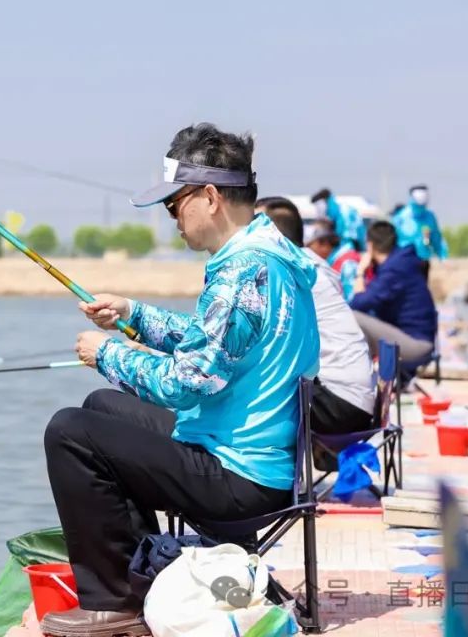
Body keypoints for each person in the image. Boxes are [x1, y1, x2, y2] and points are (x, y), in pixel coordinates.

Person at [40, 123, 319, 637]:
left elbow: (187, 382)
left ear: (210, 197)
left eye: (174, 205)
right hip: (248, 458)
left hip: (240, 479)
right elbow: (211, 340)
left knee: (69, 431)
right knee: (103, 407)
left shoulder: (242, 273)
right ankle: (142, 575)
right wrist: (133, 314)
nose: (173, 220)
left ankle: (114, 601)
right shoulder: (268, 256)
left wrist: (108, 354)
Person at [256, 197, 374, 436]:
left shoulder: (292, 273)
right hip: (354, 399)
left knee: (251, 397)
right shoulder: (310, 264)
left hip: (340, 404)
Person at [349, 220, 438, 371]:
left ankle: (357, 374)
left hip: (416, 344)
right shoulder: (401, 262)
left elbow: (358, 304)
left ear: (370, 245)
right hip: (417, 339)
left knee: (353, 317)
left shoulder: (394, 269)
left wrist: (360, 272)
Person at [391, 184, 448, 282]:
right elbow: (391, 238)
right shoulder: (401, 217)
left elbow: (436, 237)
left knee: (421, 288)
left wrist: (442, 256)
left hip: (423, 260)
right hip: (404, 260)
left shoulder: (430, 216)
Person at [306, 217, 361, 301]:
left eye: (309, 245)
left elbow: (351, 301)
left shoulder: (347, 262)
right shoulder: (330, 260)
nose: (307, 249)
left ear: (324, 244)